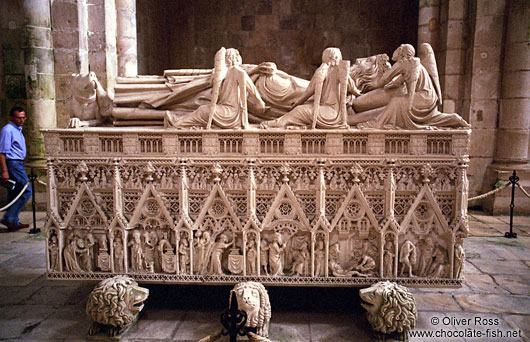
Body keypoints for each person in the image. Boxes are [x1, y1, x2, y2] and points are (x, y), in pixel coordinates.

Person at [260, 47, 359, 129]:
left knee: (300, 110)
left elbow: (308, 92)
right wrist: (357, 94)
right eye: (339, 56)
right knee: (301, 109)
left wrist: (297, 103)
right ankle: (281, 122)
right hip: (329, 111)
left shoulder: (326, 71)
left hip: (331, 114)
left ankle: (278, 122)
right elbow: (353, 89)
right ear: (335, 57)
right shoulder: (335, 71)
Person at [0, 106, 32, 231]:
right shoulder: (8, 130)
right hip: (13, 164)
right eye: (19, 118)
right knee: (26, 190)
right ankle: (9, 217)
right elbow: (2, 152)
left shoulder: (17, 130)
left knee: (15, 192)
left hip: (18, 163)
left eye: (23, 118)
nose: (21, 120)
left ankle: (14, 221)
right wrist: (5, 171)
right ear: (12, 117)